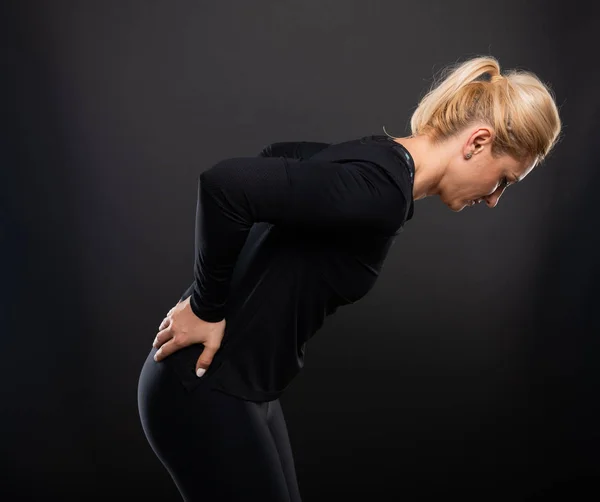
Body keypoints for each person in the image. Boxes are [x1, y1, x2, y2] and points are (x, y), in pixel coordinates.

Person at [137, 55, 562, 502]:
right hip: (204, 385)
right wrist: (207, 306)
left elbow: (275, 160)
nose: (495, 198)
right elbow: (226, 185)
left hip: (246, 388)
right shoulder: (381, 193)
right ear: (477, 142)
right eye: (503, 181)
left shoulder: (380, 161)